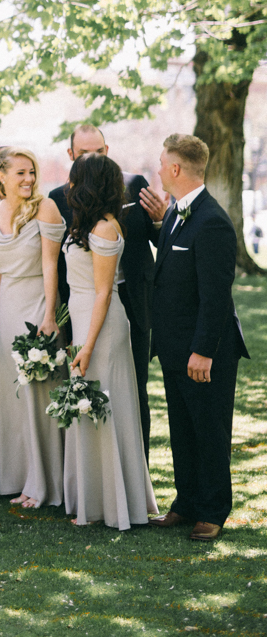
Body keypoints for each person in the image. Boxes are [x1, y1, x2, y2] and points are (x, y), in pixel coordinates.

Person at [149, 134, 249, 543]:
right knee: (182, 429)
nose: (158, 170)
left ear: (175, 169)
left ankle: (212, 511)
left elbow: (215, 297)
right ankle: (186, 501)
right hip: (175, 348)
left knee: (209, 431)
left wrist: (203, 351)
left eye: (161, 163)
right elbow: (175, 259)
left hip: (205, 351)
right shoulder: (177, 213)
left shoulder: (212, 222)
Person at [49, 123, 166, 459]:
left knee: (135, 388)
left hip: (134, 300)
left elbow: (158, 242)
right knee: (88, 386)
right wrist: (62, 314)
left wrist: (160, 221)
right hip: (85, 304)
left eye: (99, 152)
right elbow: (60, 264)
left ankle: (135, 469)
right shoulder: (59, 197)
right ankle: (96, 474)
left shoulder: (134, 185)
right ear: (70, 156)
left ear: (108, 150)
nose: (93, 159)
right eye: (85, 153)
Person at [62, 154, 156, 529]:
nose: (69, 185)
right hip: (84, 321)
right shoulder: (85, 225)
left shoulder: (104, 229)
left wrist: (86, 345)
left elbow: (103, 293)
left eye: (75, 179)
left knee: (104, 406)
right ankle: (96, 500)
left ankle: (117, 503)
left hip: (101, 327)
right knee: (89, 408)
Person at [0, 148, 65, 509]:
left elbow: (51, 266)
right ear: (1, 176)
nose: (28, 180)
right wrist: (0, 317)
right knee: (14, 396)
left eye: (31, 172)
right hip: (9, 306)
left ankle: (45, 483)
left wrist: (49, 315)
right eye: (20, 173)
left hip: (37, 302)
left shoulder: (45, 208)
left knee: (39, 394)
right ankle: (19, 477)